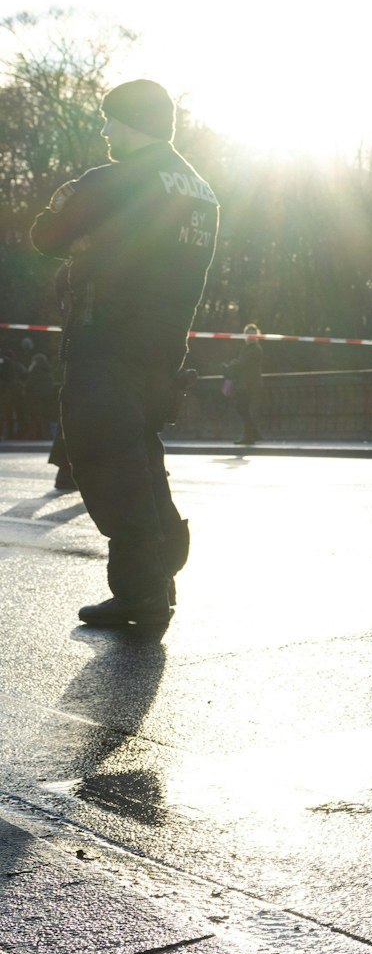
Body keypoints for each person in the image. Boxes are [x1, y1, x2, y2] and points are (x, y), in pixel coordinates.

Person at [28, 79, 217, 627]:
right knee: (141, 457)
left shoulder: (114, 181)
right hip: (162, 349)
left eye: (112, 119)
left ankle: (141, 594)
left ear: (134, 122)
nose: (105, 130)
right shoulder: (201, 189)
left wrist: (71, 213)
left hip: (104, 341)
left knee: (109, 461)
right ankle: (162, 570)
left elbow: (45, 236)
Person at [222, 324, 263, 445]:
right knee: (243, 409)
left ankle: (251, 435)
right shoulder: (248, 348)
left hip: (249, 383)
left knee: (242, 409)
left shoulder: (255, 348)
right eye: (248, 333)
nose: (250, 336)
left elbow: (242, 363)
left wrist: (231, 364)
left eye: (252, 333)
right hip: (245, 383)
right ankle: (253, 434)